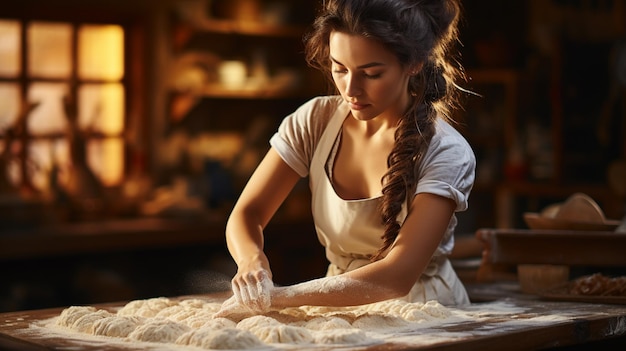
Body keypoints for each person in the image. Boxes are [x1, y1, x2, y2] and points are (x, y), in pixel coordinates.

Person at [215, 0, 474, 317]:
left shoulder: (445, 151)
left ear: (414, 63)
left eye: (372, 74)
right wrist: (250, 260)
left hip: (423, 312)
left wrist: (280, 297)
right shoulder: (314, 122)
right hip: (333, 307)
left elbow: (397, 276)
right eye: (339, 68)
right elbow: (247, 213)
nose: (351, 89)